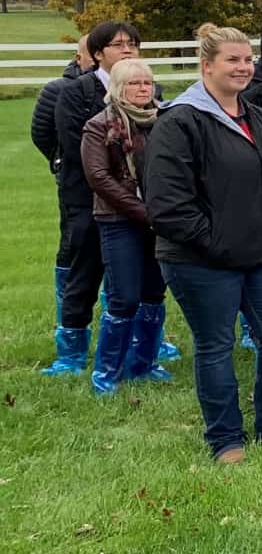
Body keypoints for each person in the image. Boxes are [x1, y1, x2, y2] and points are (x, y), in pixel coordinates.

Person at [145, 24, 262, 464]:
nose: (243, 67)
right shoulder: (179, 122)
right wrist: (217, 243)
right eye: (232, 59)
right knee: (216, 346)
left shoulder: (258, 117)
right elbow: (167, 205)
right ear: (206, 65)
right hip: (201, 261)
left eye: (248, 59)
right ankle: (225, 440)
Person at [45, 20, 143, 376]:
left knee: (140, 276)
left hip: (136, 206)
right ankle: (71, 352)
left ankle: (142, 348)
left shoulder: (149, 89)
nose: (128, 50)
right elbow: (69, 145)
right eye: (119, 45)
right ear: (98, 53)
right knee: (84, 272)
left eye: (132, 44)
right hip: (87, 198)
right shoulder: (74, 92)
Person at [79, 57, 171, 393]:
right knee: (124, 297)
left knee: (153, 293)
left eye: (147, 82)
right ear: (118, 87)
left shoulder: (165, 120)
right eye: (134, 83)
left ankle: (144, 365)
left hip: (160, 220)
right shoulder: (100, 125)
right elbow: (99, 178)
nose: (143, 88)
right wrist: (144, 211)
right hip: (118, 219)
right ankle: (107, 374)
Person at [32, 33, 92, 172]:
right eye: (93, 53)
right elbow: (41, 135)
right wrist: (65, 160)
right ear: (79, 58)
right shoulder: (56, 90)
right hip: (75, 174)